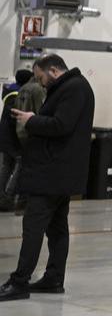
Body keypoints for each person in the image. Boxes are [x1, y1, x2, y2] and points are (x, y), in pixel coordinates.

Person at [0, 54, 95, 301]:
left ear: (53, 70)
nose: (40, 83)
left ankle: (20, 281)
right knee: (56, 227)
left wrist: (31, 120)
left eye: (41, 77)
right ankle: (53, 278)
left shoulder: (74, 88)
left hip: (53, 173)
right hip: (59, 172)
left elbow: (61, 125)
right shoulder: (70, 87)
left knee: (33, 226)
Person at [0, 69, 46, 212]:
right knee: (19, 167)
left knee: (6, 167)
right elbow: (18, 119)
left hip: (4, 136)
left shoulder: (10, 93)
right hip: (14, 138)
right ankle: (7, 197)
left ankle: (2, 196)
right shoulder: (20, 94)